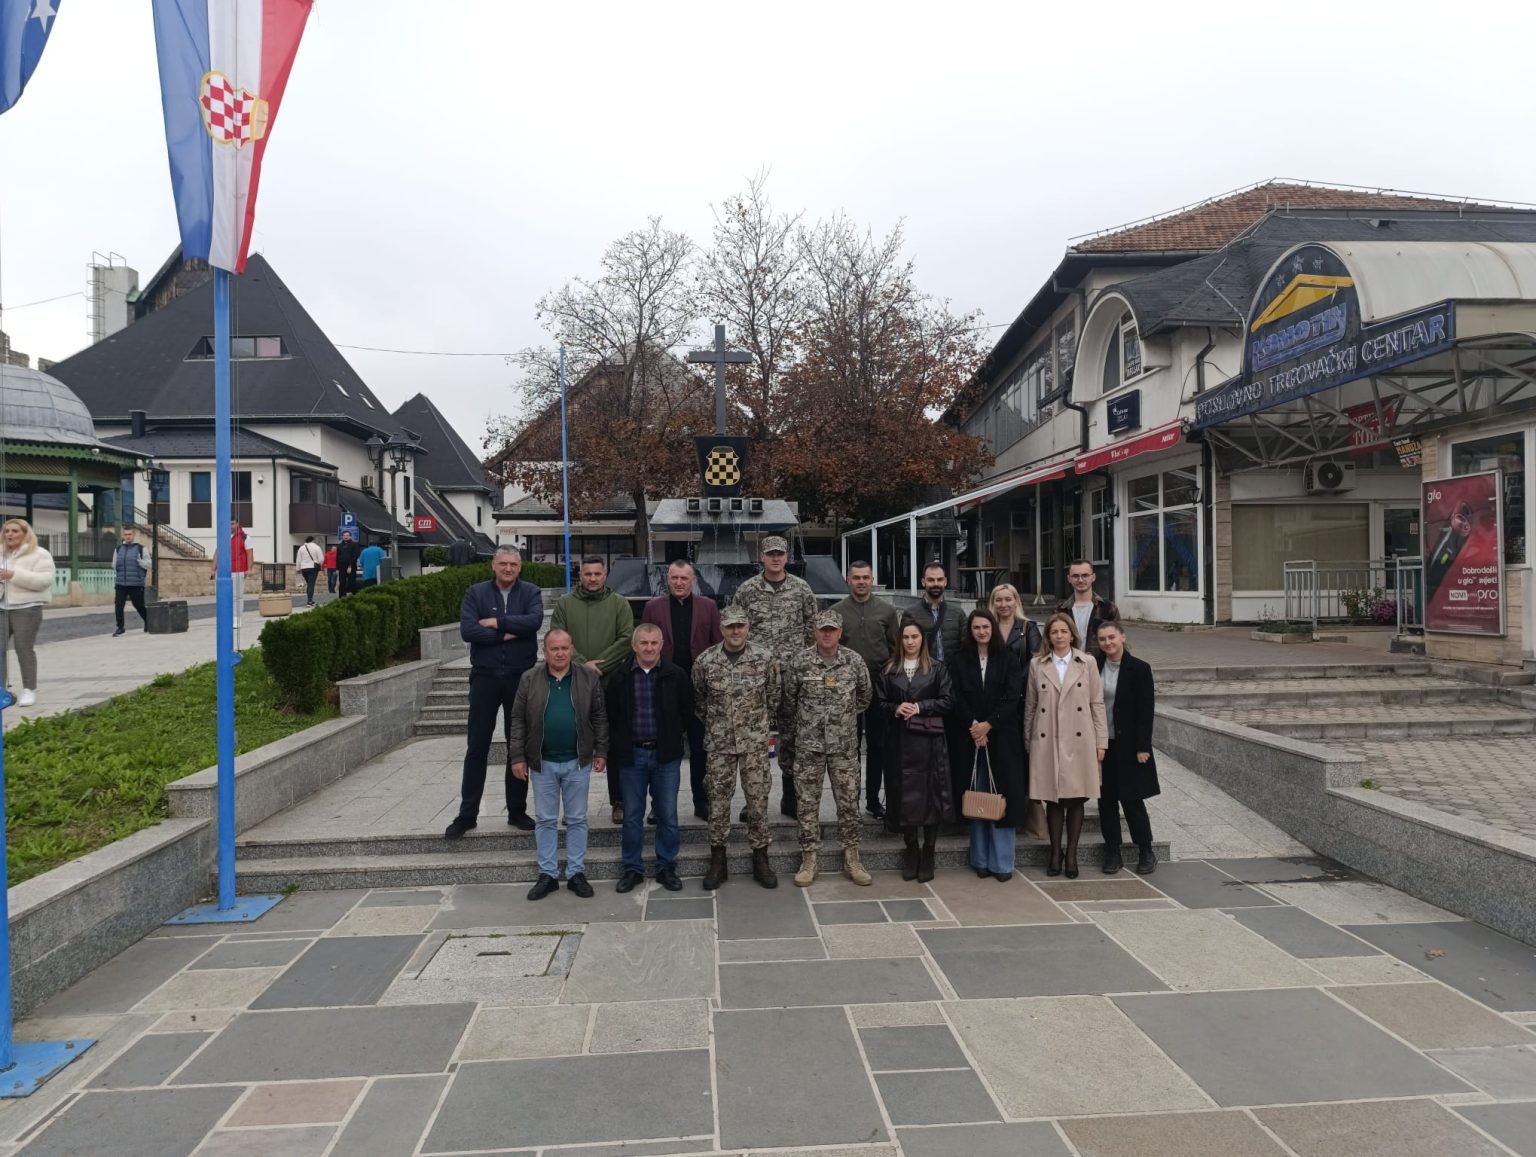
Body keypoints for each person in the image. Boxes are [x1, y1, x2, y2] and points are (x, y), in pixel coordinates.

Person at [447, 546, 544, 838]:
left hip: (519, 678)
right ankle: (467, 814)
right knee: (477, 746)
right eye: (503, 563)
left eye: (513, 564)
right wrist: (509, 632)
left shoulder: (530, 592)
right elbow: (468, 631)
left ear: (520, 566)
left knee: (518, 745)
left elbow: (534, 622)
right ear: (493, 565)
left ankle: (516, 810)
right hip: (485, 678)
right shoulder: (476, 593)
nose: (508, 568)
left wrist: (496, 623)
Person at [509, 629, 608, 900]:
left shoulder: (587, 677)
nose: (560, 653)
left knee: (576, 819)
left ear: (572, 649)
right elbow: (517, 720)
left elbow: (599, 716)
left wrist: (601, 750)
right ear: (545, 651)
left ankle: (576, 873)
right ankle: (548, 875)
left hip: (578, 762)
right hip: (543, 763)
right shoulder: (529, 679)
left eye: (565, 648)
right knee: (545, 819)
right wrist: (517, 756)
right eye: (555, 648)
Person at [782, 609, 873, 887]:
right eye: (823, 629)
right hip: (809, 747)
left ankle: (852, 857)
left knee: (849, 803)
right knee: (807, 804)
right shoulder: (800, 662)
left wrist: (840, 722)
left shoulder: (853, 661)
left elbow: (864, 697)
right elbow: (788, 703)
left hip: (843, 747)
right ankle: (809, 858)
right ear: (815, 632)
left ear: (840, 632)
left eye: (832, 629)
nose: (827, 634)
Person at [692, 605, 780, 890]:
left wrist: (755, 726)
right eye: (730, 626)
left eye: (740, 626)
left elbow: (773, 697)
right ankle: (718, 861)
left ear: (748, 628)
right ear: (721, 629)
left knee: (757, 801)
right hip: (720, 745)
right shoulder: (706, 661)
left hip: (754, 744)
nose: (735, 631)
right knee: (718, 803)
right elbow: (700, 701)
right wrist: (720, 726)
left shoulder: (765, 659)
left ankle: (761, 859)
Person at [733, 535, 817, 818]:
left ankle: (790, 797)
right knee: (754, 739)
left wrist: (805, 665)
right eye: (770, 554)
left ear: (787, 556)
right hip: (758, 678)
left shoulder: (801, 589)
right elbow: (736, 629)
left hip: (792, 677)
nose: (776, 558)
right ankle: (754, 800)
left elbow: (812, 629)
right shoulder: (747, 590)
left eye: (780, 554)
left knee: (792, 736)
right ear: (762, 557)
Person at [606, 623, 694, 893]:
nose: (649, 648)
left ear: (662, 645)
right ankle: (632, 868)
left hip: (665, 756)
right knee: (632, 816)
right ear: (634, 646)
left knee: (667, 814)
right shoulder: (620, 677)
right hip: (632, 756)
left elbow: (687, 712)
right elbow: (611, 716)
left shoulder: (676, 675)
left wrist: (675, 740)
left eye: (654, 643)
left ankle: (666, 866)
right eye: (643, 643)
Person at [551, 556, 636, 825]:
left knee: (617, 743)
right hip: (574, 682)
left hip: (613, 683)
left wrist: (600, 665)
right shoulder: (565, 604)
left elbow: (627, 639)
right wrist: (581, 665)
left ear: (605, 574)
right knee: (575, 744)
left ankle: (619, 801)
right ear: (580, 575)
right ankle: (573, 807)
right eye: (587, 574)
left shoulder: (619, 603)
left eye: (597, 574)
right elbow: (557, 638)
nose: (592, 578)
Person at [1025, 612, 1107, 878]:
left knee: (1076, 797)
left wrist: (1101, 741)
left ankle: (1071, 854)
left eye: (1063, 631)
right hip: (1047, 737)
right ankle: (1054, 852)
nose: (1059, 636)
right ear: (1048, 637)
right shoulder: (1037, 664)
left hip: (1079, 738)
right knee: (1053, 798)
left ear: (1072, 635)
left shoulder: (1087, 662)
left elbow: (1096, 703)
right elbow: (1031, 705)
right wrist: (1029, 741)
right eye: (1054, 632)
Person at [641, 559, 722, 821]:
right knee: (662, 748)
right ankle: (658, 804)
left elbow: (717, 646)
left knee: (700, 748)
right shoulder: (653, 608)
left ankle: (702, 800)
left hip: (699, 690)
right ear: (668, 579)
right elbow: (644, 645)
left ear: (693, 580)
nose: (678, 582)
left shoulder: (708, 607)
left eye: (684, 578)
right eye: (674, 578)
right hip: (665, 688)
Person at [874, 616, 954, 882]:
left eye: (915, 637)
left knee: (931, 795)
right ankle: (911, 849)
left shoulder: (937, 668)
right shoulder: (889, 669)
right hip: (900, 742)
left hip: (929, 742)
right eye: (906, 637)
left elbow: (948, 701)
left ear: (923, 640)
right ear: (900, 640)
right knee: (903, 795)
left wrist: (920, 707)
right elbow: (879, 704)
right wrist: (896, 708)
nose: (910, 642)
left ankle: (928, 851)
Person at [950, 608, 1027, 881]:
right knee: (977, 796)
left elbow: (1012, 697)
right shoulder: (959, 660)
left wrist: (988, 725)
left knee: (1001, 796)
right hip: (969, 738)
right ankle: (980, 859)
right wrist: (974, 725)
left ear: (993, 628)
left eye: (985, 627)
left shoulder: (1008, 658)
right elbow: (956, 696)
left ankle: (1002, 863)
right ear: (970, 631)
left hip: (1001, 738)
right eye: (976, 627)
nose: (981, 632)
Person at [832, 560, 902, 822]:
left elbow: (896, 648)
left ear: (872, 580)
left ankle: (873, 800)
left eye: (865, 577)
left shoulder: (887, 611)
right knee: (848, 748)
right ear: (848, 580)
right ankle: (850, 801)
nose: (861, 582)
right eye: (856, 577)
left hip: (879, 688)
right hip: (846, 690)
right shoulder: (837, 611)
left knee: (877, 745)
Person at [1095, 620, 1159, 875]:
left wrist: (1143, 746)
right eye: (1102, 639)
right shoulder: (1094, 665)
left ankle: (1146, 850)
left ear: (1122, 637)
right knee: (1106, 801)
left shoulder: (1139, 668)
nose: (1107, 643)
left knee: (1132, 800)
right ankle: (1113, 851)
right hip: (1102, 745)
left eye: (1112, 637)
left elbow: (1146, 710)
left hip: (1130, 746)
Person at [0, 518, 55, 707]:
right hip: (2, 607)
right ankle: (1, 690)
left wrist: (14, 575)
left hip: (27, 607)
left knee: (23, 648)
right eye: (7, 531)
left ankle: (29, 689)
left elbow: (45, 581)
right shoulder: (1, 553)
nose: (9, 534)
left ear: (25, 533)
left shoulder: (39, 554)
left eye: (15, 531)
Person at [1057, 560, 1118, 656]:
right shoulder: (1060, 611)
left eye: (1085, 575)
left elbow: (1118, 641)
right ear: (1069, 578)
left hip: (1099, 663)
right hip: (1069, 663)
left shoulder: (1108, 608)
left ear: (1093, 577)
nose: (1080, 580)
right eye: (1075, 576)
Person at [209, 520, 252, 650]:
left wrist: (249, 569)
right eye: (228, 523)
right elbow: (217, 552)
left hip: (239, 570)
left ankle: (237, 618)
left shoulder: (245, 537)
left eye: (233, 523)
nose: (230, 526)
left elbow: (249, 553)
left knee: (237, 596)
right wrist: (213, 569)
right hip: (223, 571)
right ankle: (226, 618)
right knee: (222, 595)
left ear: (238, 524)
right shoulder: (223, 537)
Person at [917, 561, 965, 665]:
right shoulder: (911, 614)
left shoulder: (958, 613)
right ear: (923, 582)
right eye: (931, 580)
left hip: (952, 671)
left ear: (945, 582)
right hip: (925, 671)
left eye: (939, 579)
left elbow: (965, 647)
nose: (936, 584)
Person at [111, 525, 152, 636]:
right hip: (121, 583)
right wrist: (116, 569)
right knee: (118, 606)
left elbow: (149, 564)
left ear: (133, 535)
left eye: (130, 534)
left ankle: (148, 621)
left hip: (136, 583)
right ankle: (120, 627)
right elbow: (114, 565)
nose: (128, 536)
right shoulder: (118, 549)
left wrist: (140, 562)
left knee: (139, 605)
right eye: (126, 534)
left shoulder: (141, 549)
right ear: (123, 536)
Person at [988, 582, 1041, 665]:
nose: (1003, 604)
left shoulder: (1029, 627)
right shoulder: (986, 628)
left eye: (1008, 599)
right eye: (998, 600)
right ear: (993, 603)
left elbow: (1036, 660)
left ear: (1016, 602)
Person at [295, 535, 324, 607]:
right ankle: (309, 601)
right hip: (313, 568)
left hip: (304, 568)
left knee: (309, 584)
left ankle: (311, 600)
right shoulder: (317, 547)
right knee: (311, 584)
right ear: (313, 540)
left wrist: (298, 569)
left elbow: (298, 560)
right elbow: (321, 559)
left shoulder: (301, 548)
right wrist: (319, 564)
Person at [335, 531, 360, 597]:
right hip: (341, 566)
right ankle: (342, 597)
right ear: (343, 536)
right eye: (344, 535)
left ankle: (355, 596)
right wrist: (337, 568)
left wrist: (350, 566)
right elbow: (337, 557)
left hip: (351, 566)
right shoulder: (339, 545)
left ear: (350, 536)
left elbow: (355, 556)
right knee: (342, 582)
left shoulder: (354, 544)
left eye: (347, 535)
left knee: (352, 582)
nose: (346, 537)